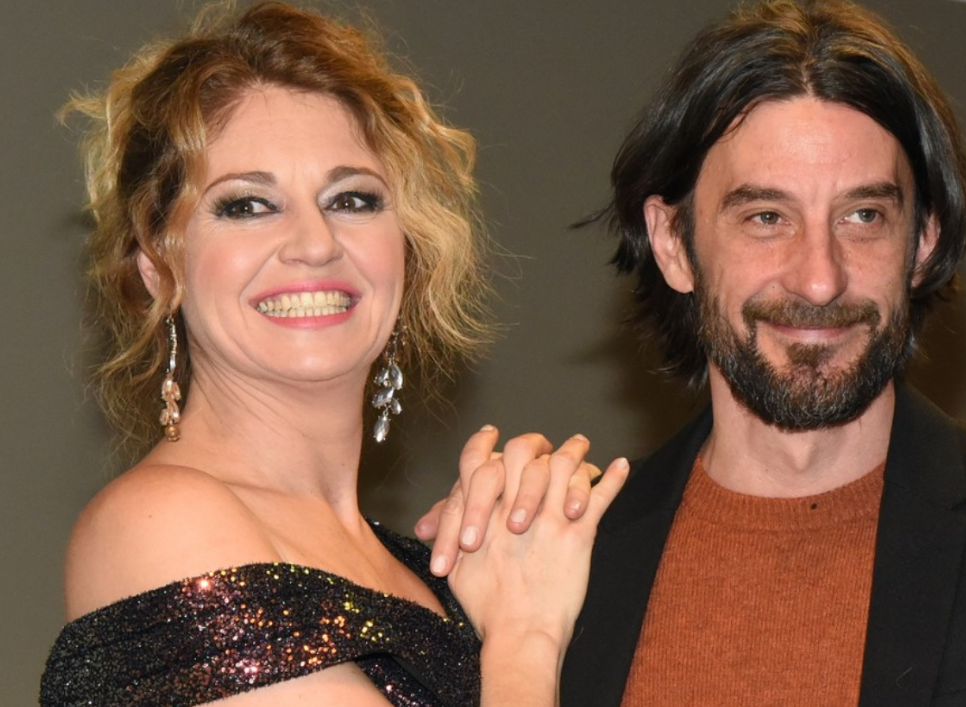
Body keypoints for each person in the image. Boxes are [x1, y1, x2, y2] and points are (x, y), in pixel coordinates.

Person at [419, 1, 966, 705]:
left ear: (923, 242)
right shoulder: (555, 565)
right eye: (765, 217)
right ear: (674, 243)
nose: (820, 278)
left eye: (863, 215)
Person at [39, 3, 627, 706]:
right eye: (247, 205)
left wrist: (513, 552)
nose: (316, 243)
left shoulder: (418, 571)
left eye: (352, 199)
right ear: (158, 270)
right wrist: (526, 635)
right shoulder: (156, 523)